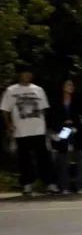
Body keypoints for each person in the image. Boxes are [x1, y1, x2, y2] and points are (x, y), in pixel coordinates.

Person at [2, 65, 57, 195]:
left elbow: (43, 109)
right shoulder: (11, 90)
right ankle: (27, 185)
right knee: (24, 159)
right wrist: (8, 125)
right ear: (20, 75)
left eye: (29, 74)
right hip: (21, 131)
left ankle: (49, 183)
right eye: (25, 73)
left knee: (44, 158)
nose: (27, 76)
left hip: (38, 130)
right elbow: (5, 110)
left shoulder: (38, 90)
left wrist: (45, 127)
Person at [49, 79, 82, 194]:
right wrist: (61, 125)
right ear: (62, 87)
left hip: (76, 131)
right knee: (62, 157)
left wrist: (74, 124)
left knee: (80, 156)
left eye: (72, 85)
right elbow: (53, 118)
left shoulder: (77, 101)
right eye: (68, 85)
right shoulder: (56, 102)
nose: (71, 87)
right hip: (62, 130)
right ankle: (64, 186)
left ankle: (81, 185)